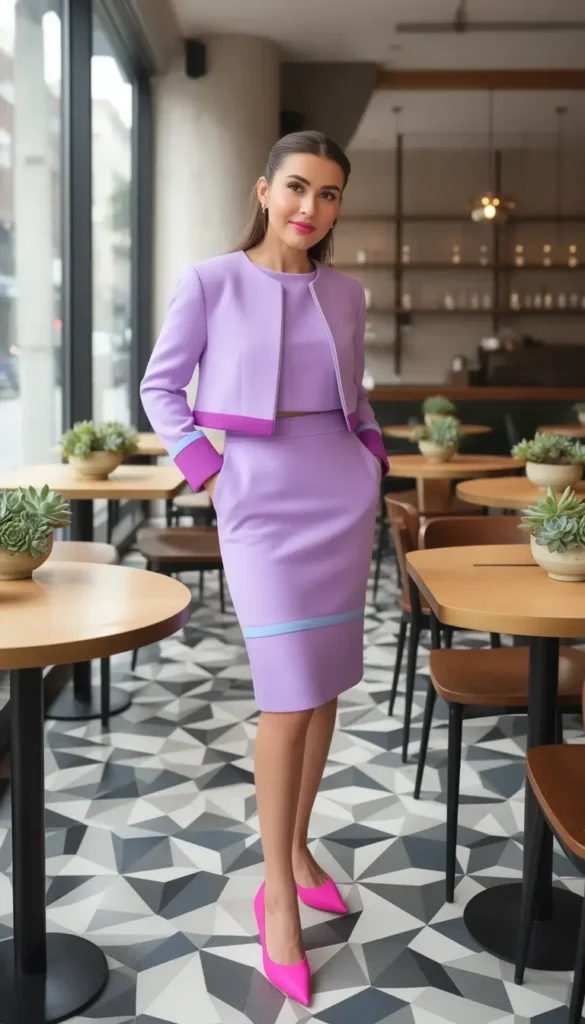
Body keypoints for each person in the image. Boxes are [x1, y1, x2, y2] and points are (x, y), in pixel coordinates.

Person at [140, 130, 389, 1007]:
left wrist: (371, 457)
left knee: (320, 689)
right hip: (257, 495)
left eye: (327, 195)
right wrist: (205, 469)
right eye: (295, 188)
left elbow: (355, 395)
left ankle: (296, 846)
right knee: (285, 696)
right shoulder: (211, 280)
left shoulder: (348, 292)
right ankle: (274, 892)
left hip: (337, 492)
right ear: (262, 188)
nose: (309, 209)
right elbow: (159, 386)